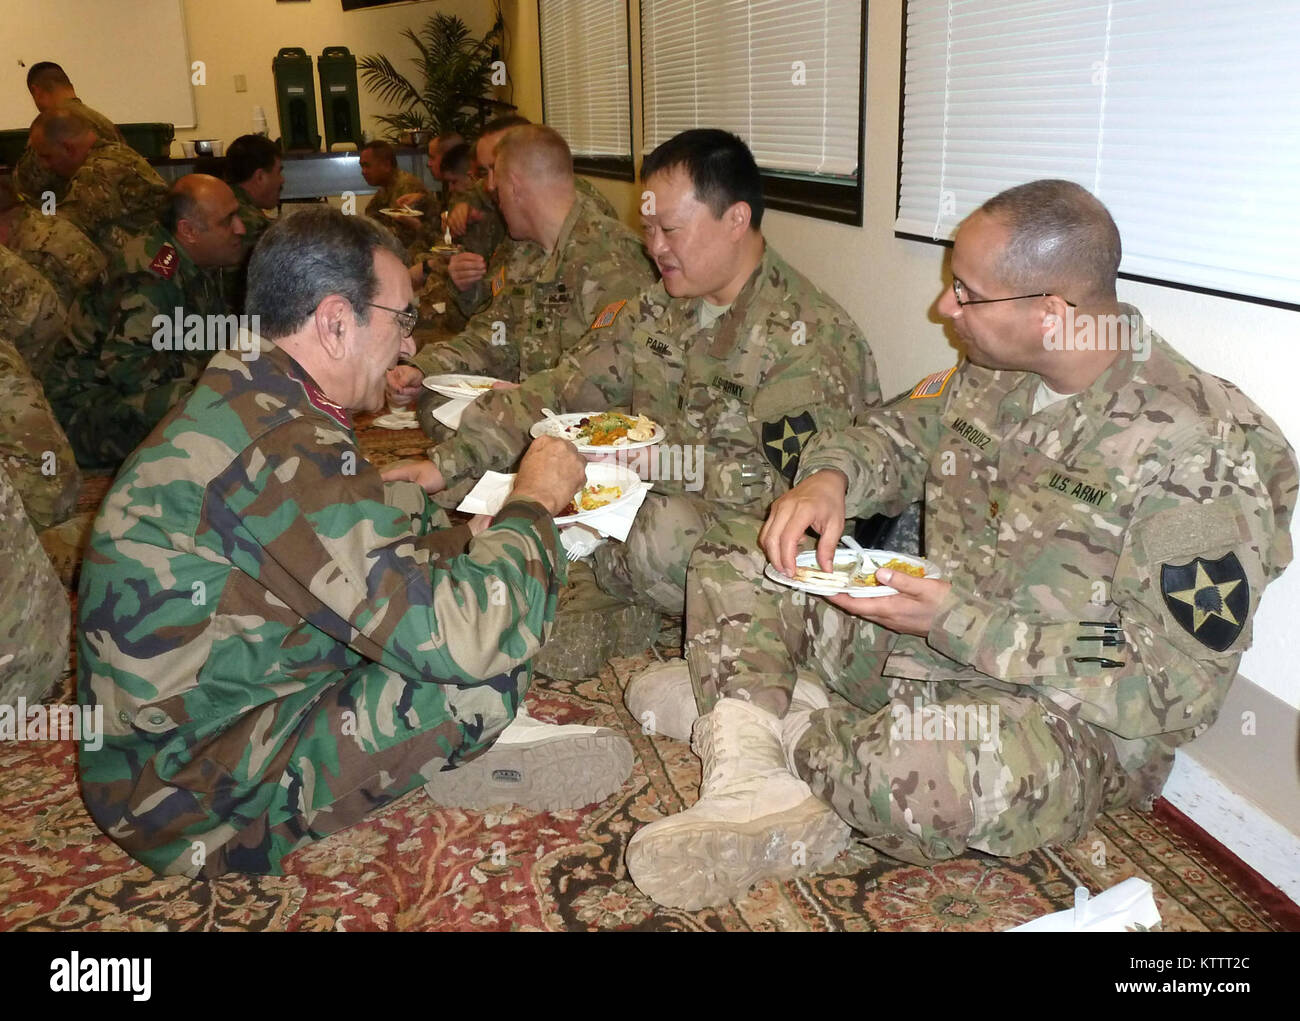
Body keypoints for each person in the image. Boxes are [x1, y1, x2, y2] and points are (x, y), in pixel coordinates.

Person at [622, 179, 1299, 910]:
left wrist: (958, 620)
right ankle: (751, 769)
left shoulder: (1204, 449)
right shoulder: (994, 374)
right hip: (924, 638)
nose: (946, 308)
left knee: (912, 776)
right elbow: (897, 433)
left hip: (1062, 719)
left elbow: (1173, 682)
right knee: (741, 549)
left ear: (1051, 313)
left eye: (966, 293)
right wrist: (829, 477)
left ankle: (759, 718)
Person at [77, 206, 632, 878]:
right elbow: (469, 631)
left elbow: (347, 543)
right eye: (402, 321)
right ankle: (449, 755)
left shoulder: (255, 392)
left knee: (418, 519)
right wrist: (533, 504)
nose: (407, 347)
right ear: (337, 322)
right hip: (186, 798)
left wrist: (467, 544)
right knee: (483, 667)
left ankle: (417, 753)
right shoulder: (278, 443)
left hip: (184, 729)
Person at [413, 129, 879, 668]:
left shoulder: (807, 339)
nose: (654, 247)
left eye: (670, 229)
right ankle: (586, 572)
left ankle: (607, 586)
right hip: (640, 498)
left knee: (656, 529)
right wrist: (444, 463)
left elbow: (787, 493)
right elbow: (564, 385)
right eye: (649, 227)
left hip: (745, 536)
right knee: (517, 455)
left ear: (735, 220)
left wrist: (657, 466)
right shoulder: (660, 307)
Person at [386, 124, 654, 391]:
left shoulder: (612, 259)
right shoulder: (523, 251)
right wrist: (423, 369)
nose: (490, 188)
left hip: (580, 422)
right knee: (432, 400)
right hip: (528, 404)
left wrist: (514, 402)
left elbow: (605, 381)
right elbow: (491, 334)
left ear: (514, 186)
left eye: (495, 177)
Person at [44, 174, 245, 469]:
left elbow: (216, 334)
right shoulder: (150, 275)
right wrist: (211, 373)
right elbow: (128, 366)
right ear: (188, 231)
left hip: (120, 394)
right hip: (86, 411)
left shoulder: (195, 260)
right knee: (213, 398)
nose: (240, 228)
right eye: (227, 221)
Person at [440, 116, 620, 319]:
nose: (490, 184)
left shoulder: (573, 221)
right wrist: (466, 286)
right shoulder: (517, 226)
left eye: (496, 167)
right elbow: (497, 305)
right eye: (484, 171)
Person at [26, 107, 167, 256]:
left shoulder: (95, 171)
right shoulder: (116, 151)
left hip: (154, 261)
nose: (44, 165)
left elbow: (63, 228)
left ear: (68, 149)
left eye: (47, 157)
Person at [13, 61, 124, 206]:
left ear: (37, 92)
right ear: (70, 87)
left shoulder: (50, 128)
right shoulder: (106, 124)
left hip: (71, 218)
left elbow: (32, 183)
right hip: (111, 215)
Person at [223, 133, 285, 309]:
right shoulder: (255, 225)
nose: (282, 180)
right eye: (279, 171)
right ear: (260, 177)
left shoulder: (219, 206)